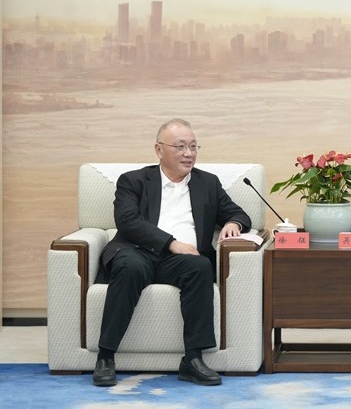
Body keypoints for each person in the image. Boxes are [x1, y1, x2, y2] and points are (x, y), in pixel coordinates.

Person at [92, 118, 251, 387]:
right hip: (136, 251)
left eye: (193, 146)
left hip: (180, 262)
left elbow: (238, 214)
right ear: (159, 150)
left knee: (200, 265)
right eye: (180, 147)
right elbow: (128, 221)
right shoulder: (133, 180)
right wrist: (170, 243)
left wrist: (233, 223)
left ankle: (193, 359)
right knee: (130, 267)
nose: (189, 153)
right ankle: (106, 356)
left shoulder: (208, 183)